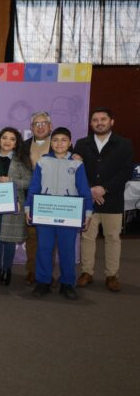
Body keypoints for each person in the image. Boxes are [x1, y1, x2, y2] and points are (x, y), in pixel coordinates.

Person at [26, 127, 93, 300]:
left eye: (64, 140)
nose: (59, 143)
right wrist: (28, 208)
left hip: (69, 213)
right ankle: (43, 282)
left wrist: (88, 212)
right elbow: (34, 187)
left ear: (70, 143)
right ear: (51, 143)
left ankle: (67, 283)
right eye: (55, 140)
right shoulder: (43, 161)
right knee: (44, 248)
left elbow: (84, 190)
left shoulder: (77, 164)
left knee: (67, 250)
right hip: (45, 211)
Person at [73, 108, 134, 292]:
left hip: (113, 199)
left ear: (111, 121)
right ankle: (86, 272)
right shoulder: (82, 144)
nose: (99, 123)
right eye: (95, 120)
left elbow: (126, 172)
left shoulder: (124, 144)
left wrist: (104, 188)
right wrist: (90, 188)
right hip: (88, 199)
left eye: (103, 119)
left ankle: (112, 275)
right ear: (90, 123)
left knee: (113, 238)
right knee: (87, 237)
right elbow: (76, 169)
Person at [0, 127, 32, 286]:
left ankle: (7, 270)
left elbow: (29, 182)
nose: (7, 141)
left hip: (15, 203)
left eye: (12, 139)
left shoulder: (21, 160)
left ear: (16, 143)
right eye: (4, 137)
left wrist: (11, 182)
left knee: (9, 240)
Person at [21, 111, 54, 284]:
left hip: (53, 199)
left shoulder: (59, 144)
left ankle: (47, 272)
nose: (40, 127)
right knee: (32, 237)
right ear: (31, 127)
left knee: (49, 239)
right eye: (36, 124)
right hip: (31, 198)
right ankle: (32, 271)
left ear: (50, 126)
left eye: (43, 123)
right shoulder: (23, 146)